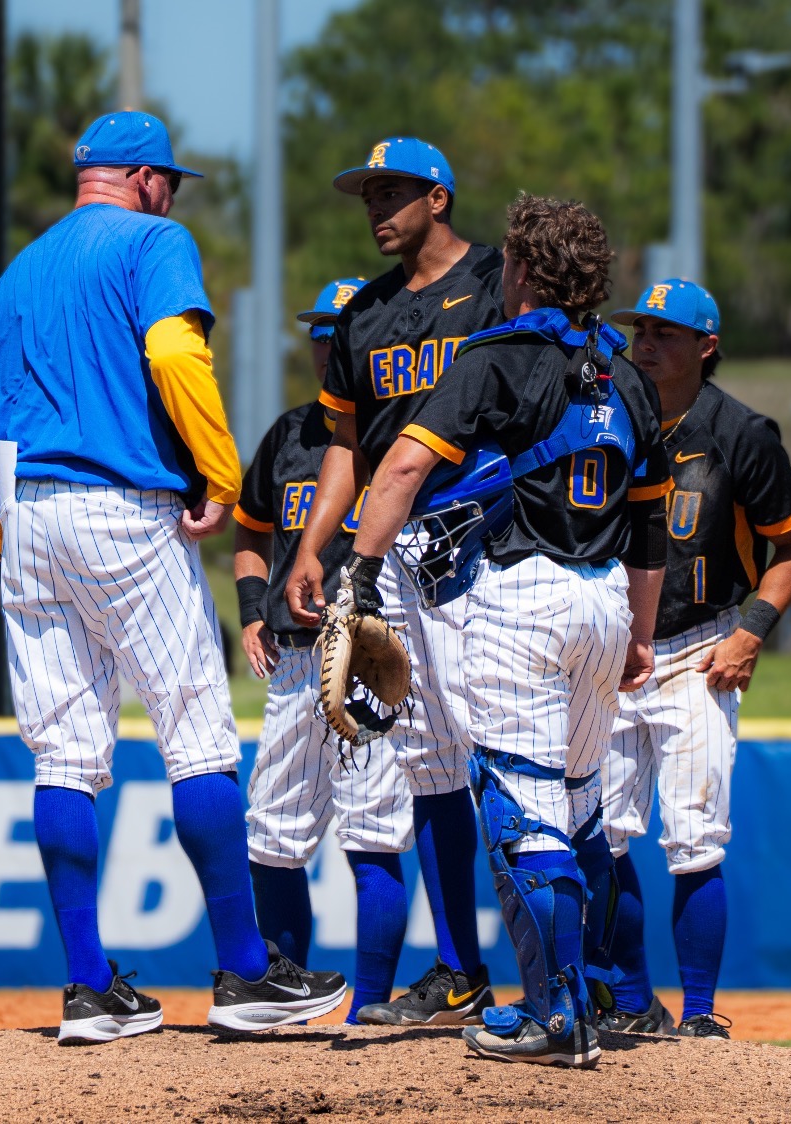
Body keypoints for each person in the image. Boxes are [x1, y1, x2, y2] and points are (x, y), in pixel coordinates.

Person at [0, 110, 344, 1044]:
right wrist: (218, 470)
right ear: (141, 177)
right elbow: (173, 352)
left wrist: (6, 522)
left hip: (30, 518)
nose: (170, 191)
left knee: (64, 756)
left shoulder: (14, 278)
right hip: (125, 507)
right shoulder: (154, 239)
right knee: (198, 734)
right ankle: (247, 973)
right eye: (166, 177)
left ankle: (89, 988)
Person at [337, 194, 670, 1067]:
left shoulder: (496, 356)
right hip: (603, 601)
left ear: (521, 269)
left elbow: (405, 464)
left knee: (525, 811)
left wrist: (361, 575)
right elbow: (649, 524)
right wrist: (640, 632)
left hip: (522, 597)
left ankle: (558, 1016)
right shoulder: (627, 374)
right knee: (585, 807)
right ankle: (591, 991)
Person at [284, 138, 506, 1027]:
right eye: (368, 194)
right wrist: (313, 545)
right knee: (428, 760)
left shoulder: (499, 282)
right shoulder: (364, 315)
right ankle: (460, 972)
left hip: (496, 540)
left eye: (394, 192)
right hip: (401, 549)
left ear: (440, 197)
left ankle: (591, 975)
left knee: (525, 755)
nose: (376, 207)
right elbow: (348, 445)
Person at [592, 280, 791, 1038]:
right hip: (614, 651)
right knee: (602, 829)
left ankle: (699, 1014)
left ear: (706, 347)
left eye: (665, 334)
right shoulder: (609, 421)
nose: (645, 344)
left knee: (693, 838)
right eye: (639, 331)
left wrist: (753, 630)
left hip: (699, 650)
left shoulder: (740, 432)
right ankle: (626, 999)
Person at [236, 277, 420, 1023]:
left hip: (373, 648)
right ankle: (285, 992)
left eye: (338, 331)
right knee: (273, 830)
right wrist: (252, 608)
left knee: (374, 829)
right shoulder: (288, 435)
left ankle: (370, 1006)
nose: (325, 345)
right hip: (294, 655)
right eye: (318, 332)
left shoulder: (405, 437)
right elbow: (250, 528)